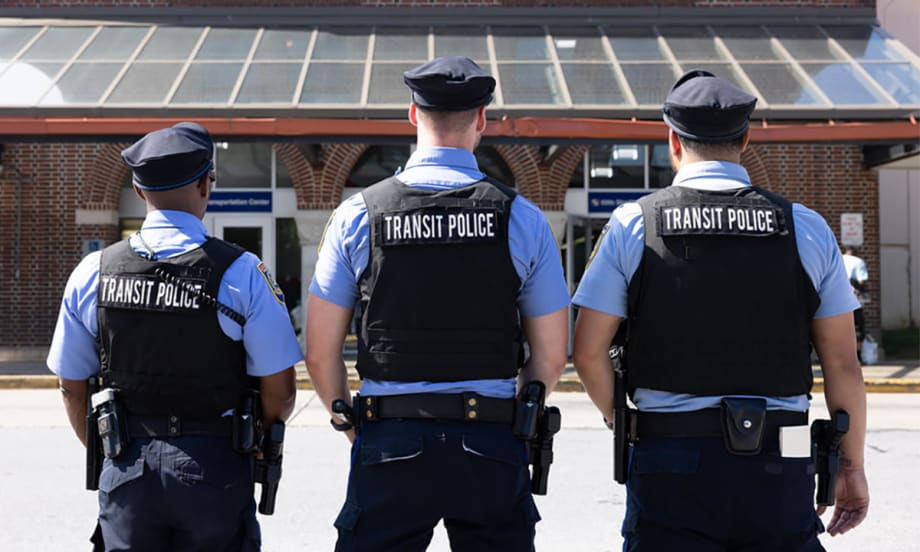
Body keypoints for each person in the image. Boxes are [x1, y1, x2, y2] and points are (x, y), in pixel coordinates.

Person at [572, 70, 869, 551]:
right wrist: (850, 466)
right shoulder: (806, 227)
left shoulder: (633, 224)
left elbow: (587, 352)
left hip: (669, 455)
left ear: (672, 140)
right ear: (746, 139)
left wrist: (624, 422)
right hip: (783, 455)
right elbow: (842, 364)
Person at [306, 56, 569, 551]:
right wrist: (520, 409)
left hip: (390, 440)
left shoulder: (358, 215)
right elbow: (552, 356)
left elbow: (320, 352)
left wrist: (348, 419)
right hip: (489, 441)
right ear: (482, 120)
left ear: (412, 114)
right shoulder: (523, 219)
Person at [47, 122, 300, 551]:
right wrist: (258, 438)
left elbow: (72, 388)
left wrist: (111, 450)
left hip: (127, 464)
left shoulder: (94, 271)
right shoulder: (243, 272)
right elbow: (281, 389)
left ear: (138, 188)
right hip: (215, 466)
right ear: (206, 183)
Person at [842, 246, 870, 361]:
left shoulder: (839, 259)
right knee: (858, 327)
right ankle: (857, 356)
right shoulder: (858, 262)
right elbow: (862, 280)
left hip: (837, 299)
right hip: (854, 299)